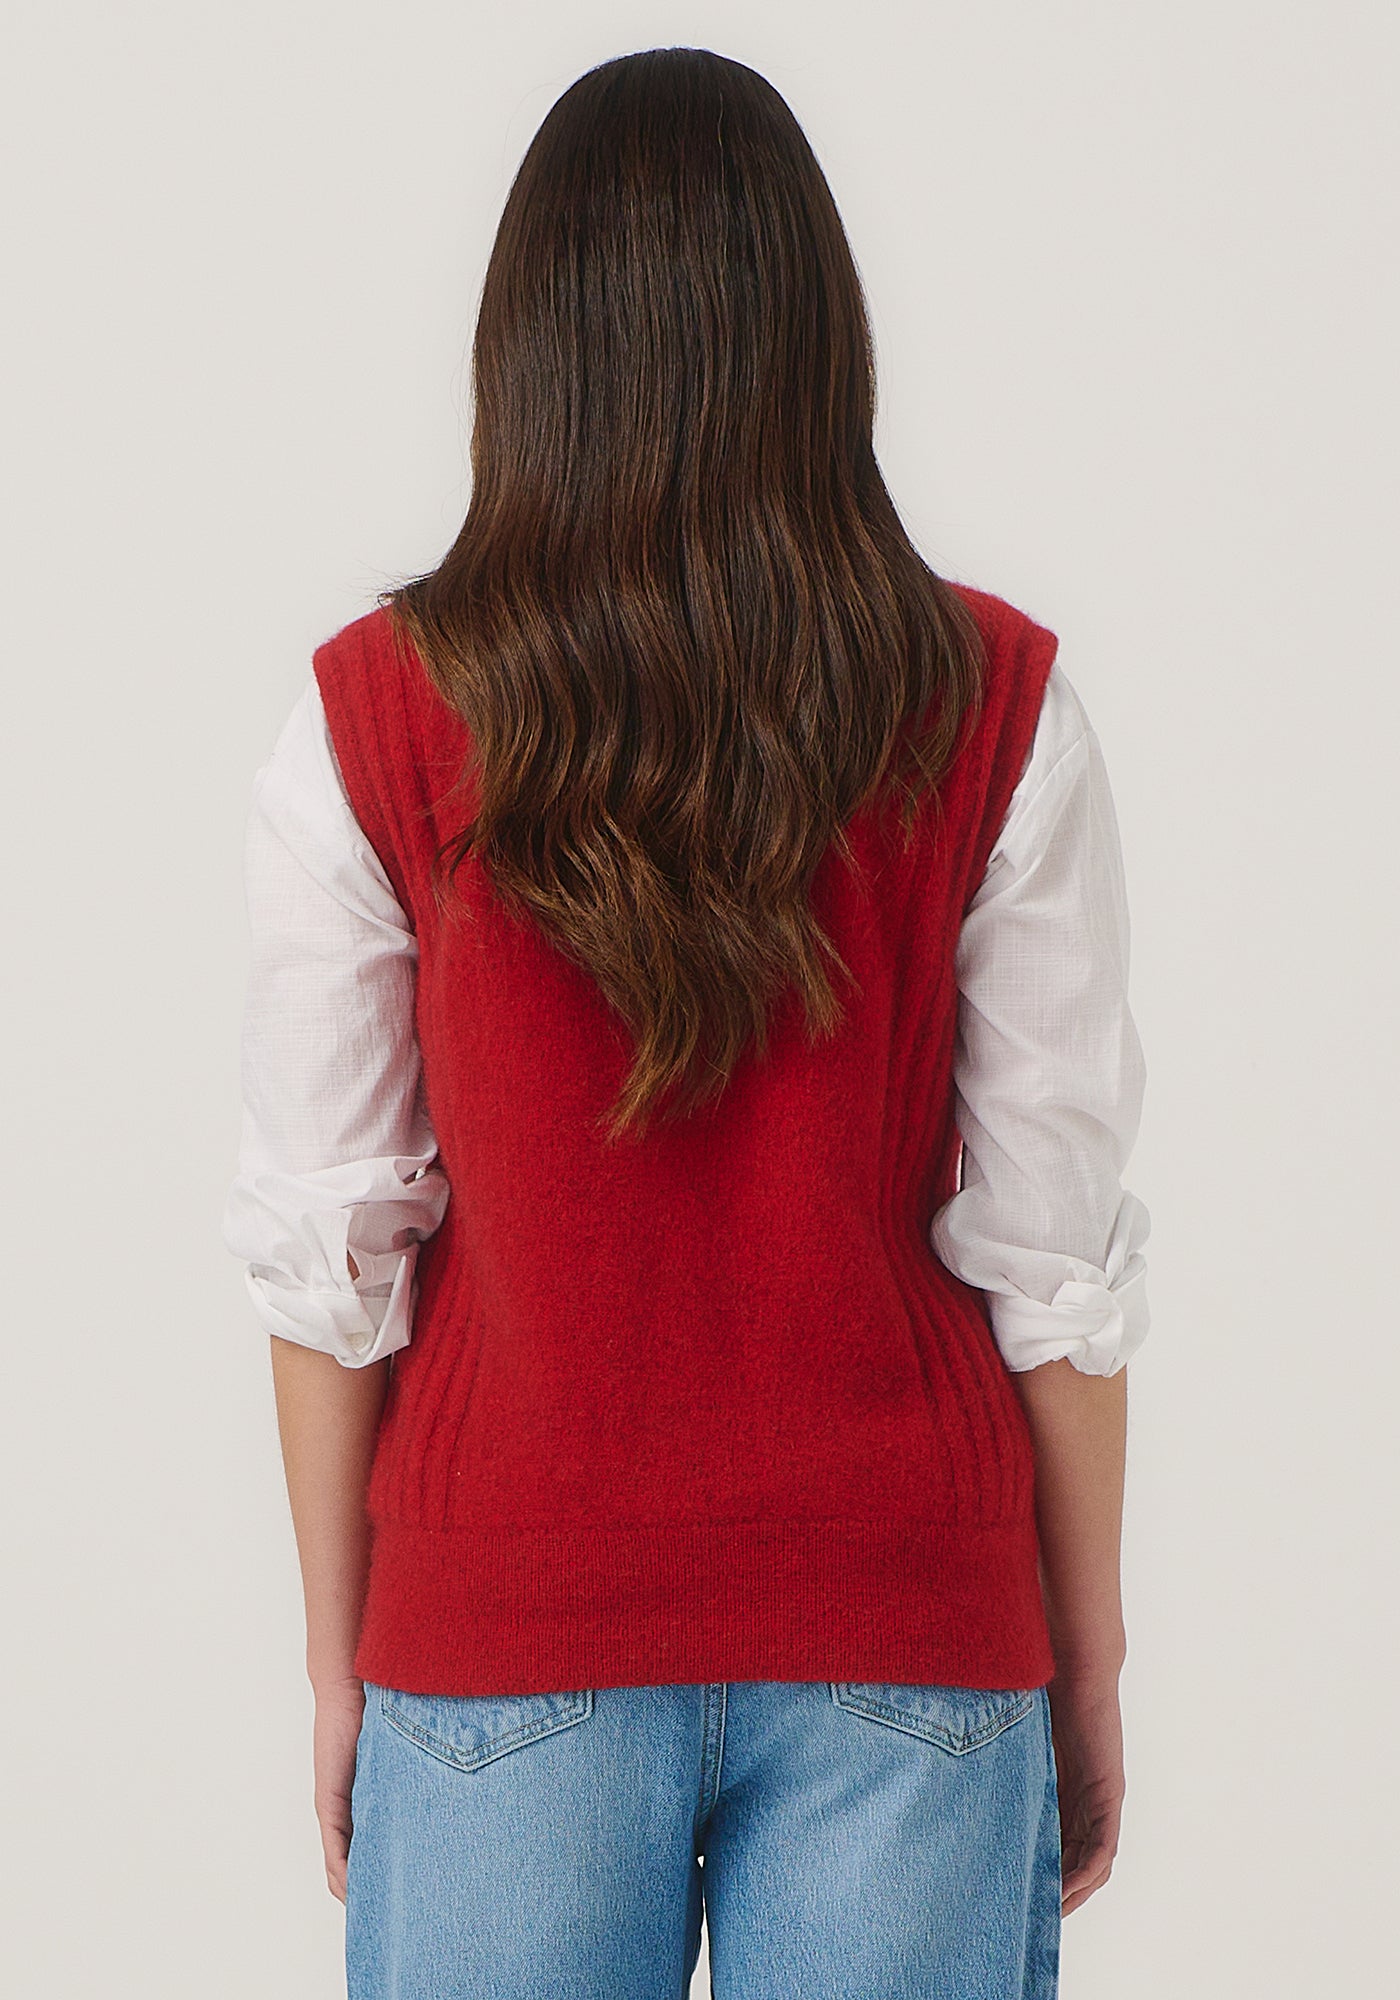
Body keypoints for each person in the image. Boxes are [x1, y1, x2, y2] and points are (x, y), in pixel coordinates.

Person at [223, 45, 1150, 2000]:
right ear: (820, 343)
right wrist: (1089, 1649)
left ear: (525, 354)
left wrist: (341, 1659)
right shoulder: (993, 704)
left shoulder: (371, 717)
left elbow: (329, 1252)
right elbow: (1054, 1257)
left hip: (503, 1628)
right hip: (906, 1619)